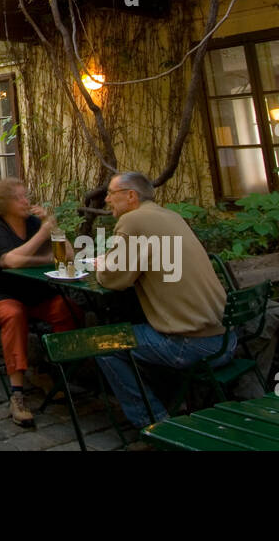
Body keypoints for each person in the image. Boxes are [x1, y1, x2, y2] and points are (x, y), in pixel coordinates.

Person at [94, 172, 232, 429]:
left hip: (191, 345)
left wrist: (102, 264)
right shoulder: (171, 216)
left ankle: (156, 424)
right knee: (142, 329)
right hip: (225, 340)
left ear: (131, 196)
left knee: (103, 345)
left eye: (111, 193)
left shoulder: (133, 220)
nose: (107, 200)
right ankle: (171, 402)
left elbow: (113, 278)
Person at [0, 178, 80, 428]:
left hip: (32, 294)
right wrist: (45, 254)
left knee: (68, 310)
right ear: (3, 203)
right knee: (14, 313)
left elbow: (69, 255)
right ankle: (17, 395)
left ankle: (47, 372)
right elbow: (11, 261)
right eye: (18, 197)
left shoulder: (33, 223)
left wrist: (51, 227)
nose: (25, 201)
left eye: (26, 196)